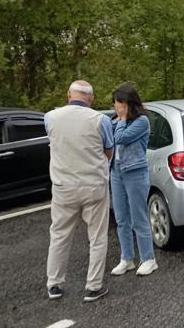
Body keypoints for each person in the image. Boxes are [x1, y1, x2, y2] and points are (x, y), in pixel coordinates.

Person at [44, 80, 114, 302]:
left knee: (59, 235)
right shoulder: (100, 120)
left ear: (68, 95)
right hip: (93, 184)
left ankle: (54, 284)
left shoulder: (50, 117)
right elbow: (108, 150)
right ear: (91, 99)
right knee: (97, 237)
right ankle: (93, 286)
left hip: (63, 185)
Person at [110, 83, 158, 277]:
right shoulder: (115, 121)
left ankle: (148, 259)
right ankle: (127, 258)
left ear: (129, 104)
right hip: (117, 172)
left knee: (138, 217)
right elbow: (107, 138)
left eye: (119, 103)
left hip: (135, 173)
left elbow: (120, 138)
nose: (116, 107)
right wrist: (118, 120)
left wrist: (121, 120)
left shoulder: (142, 122)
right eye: (115, 103)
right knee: (121, 218)